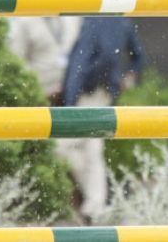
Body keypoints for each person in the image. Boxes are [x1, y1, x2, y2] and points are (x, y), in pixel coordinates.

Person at [59, 17, 144, 225]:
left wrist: (97, 82)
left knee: (66, 146)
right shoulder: (114, 18)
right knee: (91, 149)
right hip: (97, 90)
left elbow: (106, 56)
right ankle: (96, 204)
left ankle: (96, 204)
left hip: (90, 92)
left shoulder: (99, 17)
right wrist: (121, 81)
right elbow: (136, 56)